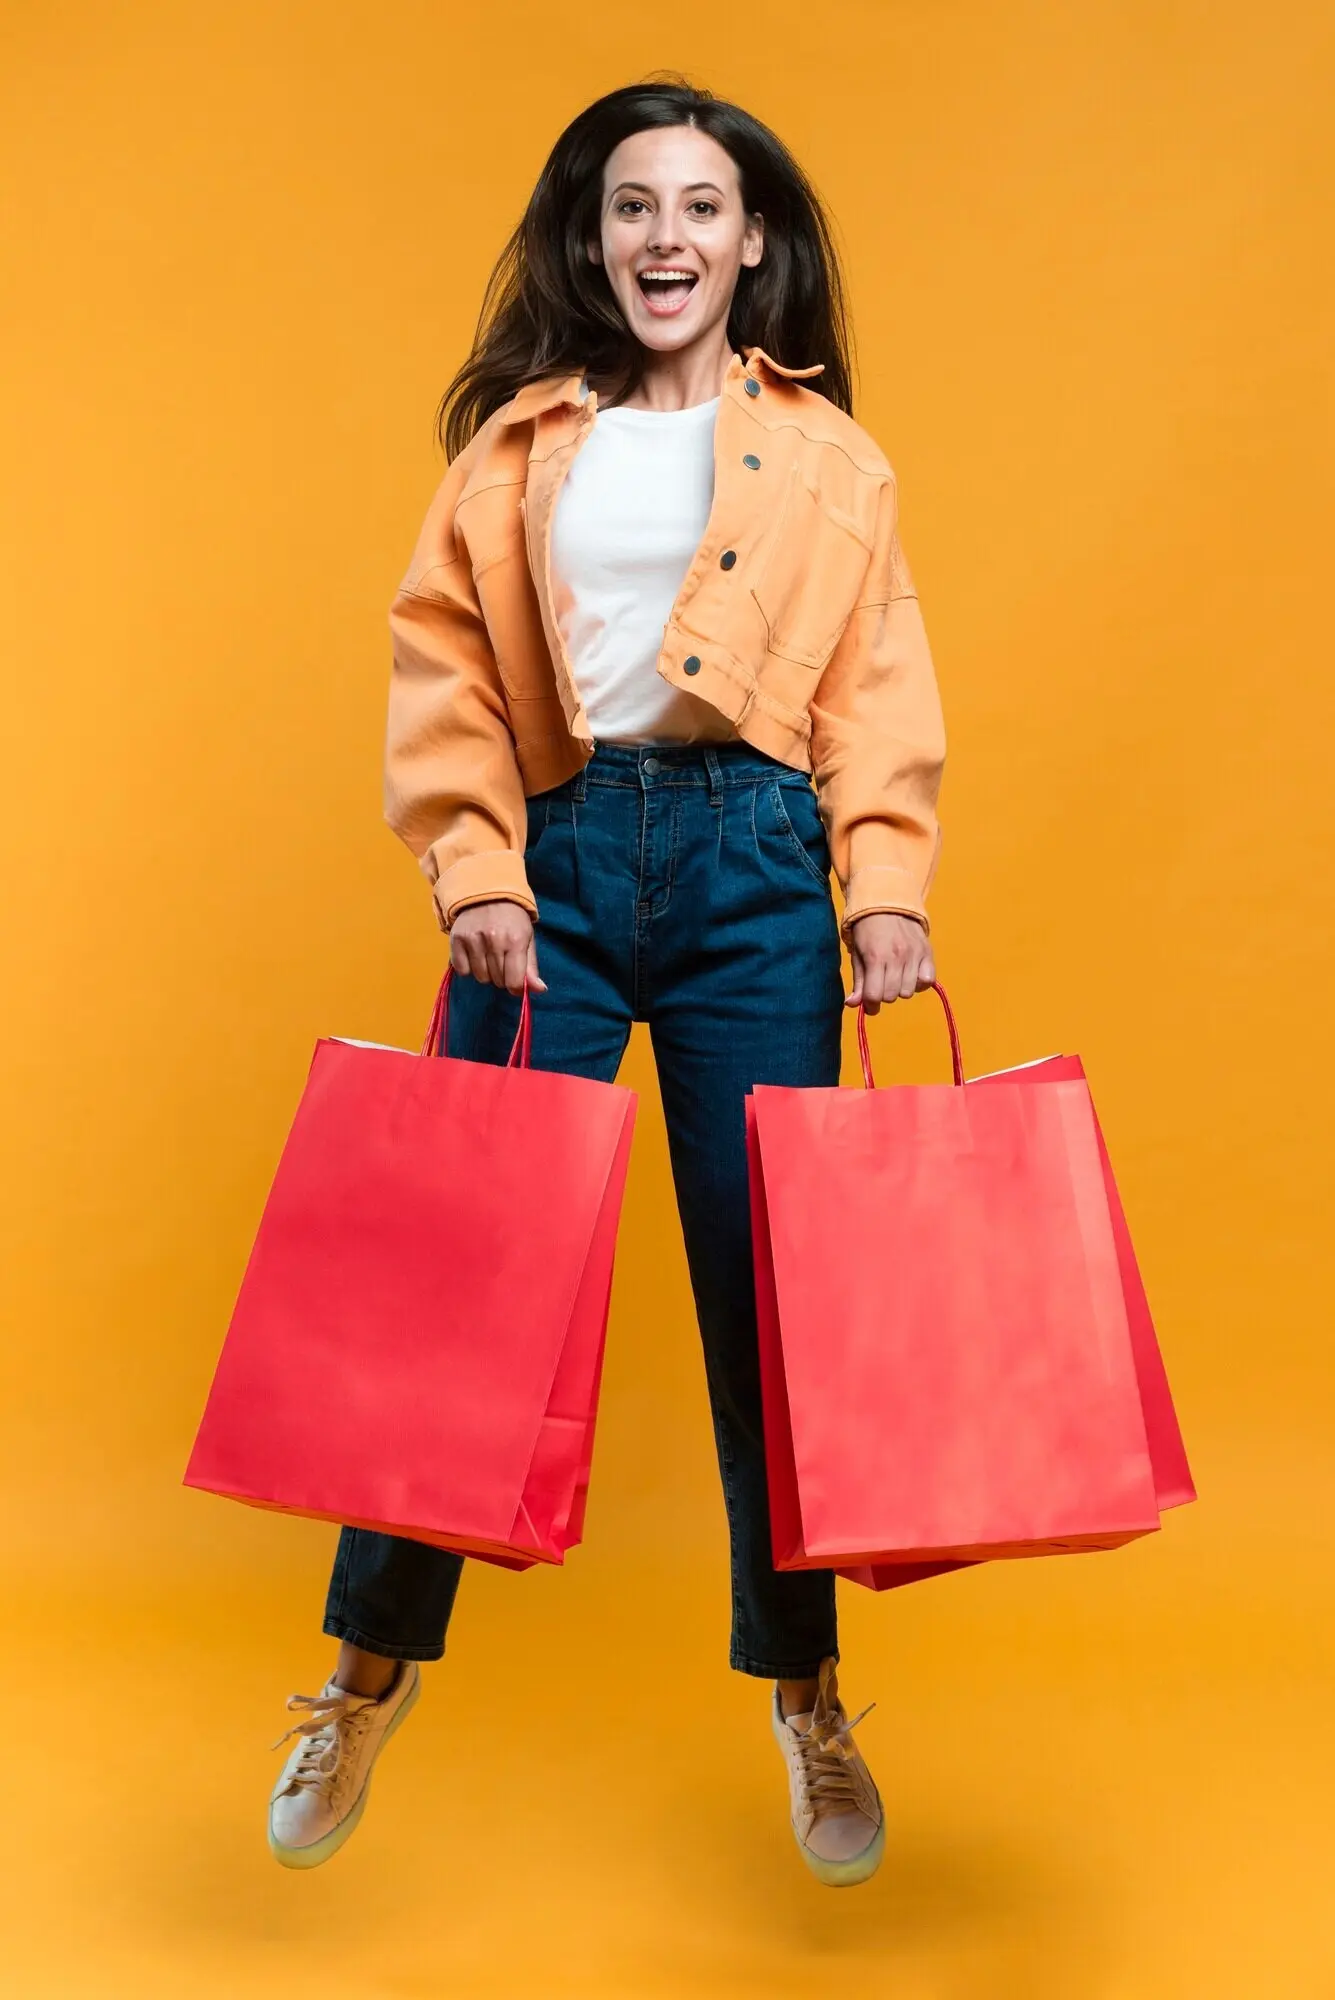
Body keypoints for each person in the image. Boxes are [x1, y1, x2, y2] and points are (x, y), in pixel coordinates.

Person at [268, 78, 945, 1887]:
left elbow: (877, 684)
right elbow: (445, 675)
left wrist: (882, 890)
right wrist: (476, 869)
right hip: (554, 869)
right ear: (593, 239)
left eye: (698, 208)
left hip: (752, 870)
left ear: (750, 243)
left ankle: (803, 1694)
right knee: (454, 1293)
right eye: (629, 206)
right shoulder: (510, 449)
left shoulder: (829, 458)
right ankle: (360, 1678)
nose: (663, 238)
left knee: (770, 1305)